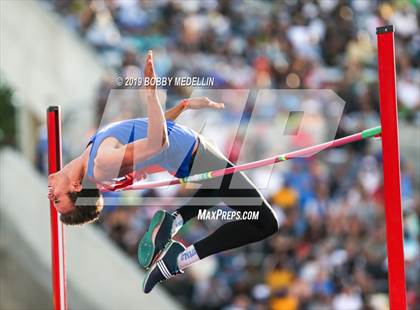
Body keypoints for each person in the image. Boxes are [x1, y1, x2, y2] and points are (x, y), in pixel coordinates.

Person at [48, 51, 280, 293]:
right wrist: (151, 95)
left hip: (193, 153)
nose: (50, 194)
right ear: (76, 188)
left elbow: (148, 130)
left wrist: (181, 107)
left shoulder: (93, 158)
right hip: (194, 155)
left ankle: (175, 221)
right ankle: (178, 260)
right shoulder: (101, 162)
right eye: (56, 199)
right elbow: (158, 142)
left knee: (220, 190)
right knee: (265, 223)